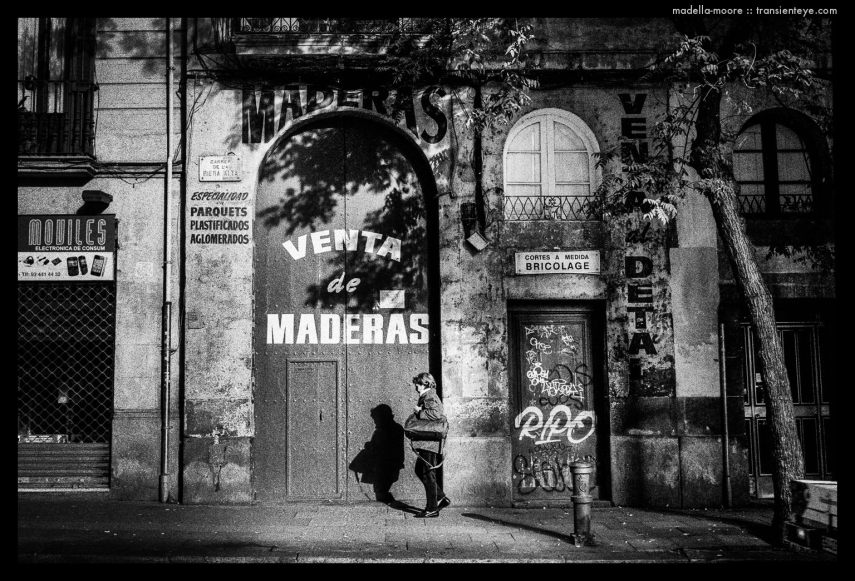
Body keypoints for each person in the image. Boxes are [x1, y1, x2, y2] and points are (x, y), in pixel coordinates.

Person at [409, 372, 451, 518]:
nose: (416, 386)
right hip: (428, 442)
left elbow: (436, 415)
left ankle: (432, 508)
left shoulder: (430, 396)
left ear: (425, 384)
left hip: (430, 443)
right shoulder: (427, 395)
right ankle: (440, 498)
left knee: (427, 474)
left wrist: (420, 412)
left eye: (418, 383)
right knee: (421, 470)